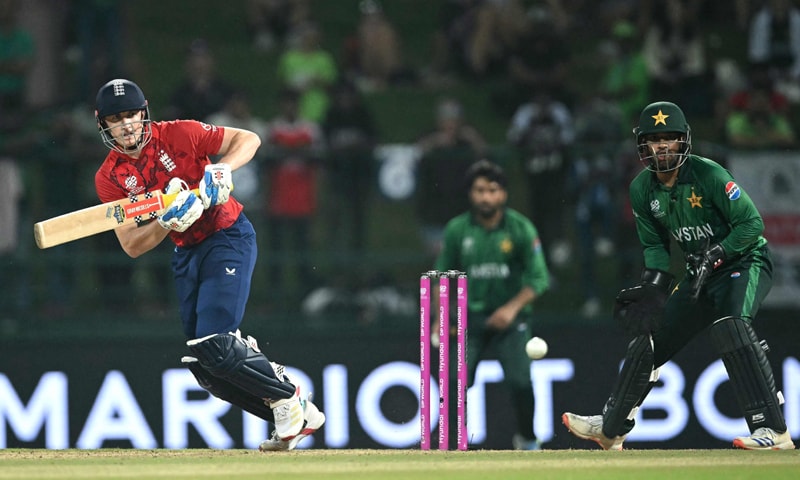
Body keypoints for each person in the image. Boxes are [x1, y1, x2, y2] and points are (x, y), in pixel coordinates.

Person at [92, 78, 325, 452]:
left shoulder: (180, 133)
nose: (127, 125)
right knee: (206, 367)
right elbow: (132, 245)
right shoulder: (110, 177)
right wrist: (165, 222)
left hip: (227, 235)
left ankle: (287, 396)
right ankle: (298, 414)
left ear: (144, 112)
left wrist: (222, 170)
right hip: (186, 252)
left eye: (132, 115)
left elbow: (248, 139)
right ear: (103, 124)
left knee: (215, 342)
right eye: (116, 118)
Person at [562, 101, 795, 451]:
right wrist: (653, 287)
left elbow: (752, 224)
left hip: (744, 261)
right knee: (649, 336)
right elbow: (655, 246)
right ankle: (611, 429)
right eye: (655, 140)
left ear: (684, 141)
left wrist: (717, 253)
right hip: (698, 271)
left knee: (731, 324)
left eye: (670, 138)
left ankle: (774, 431)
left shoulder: (710, 175)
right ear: (643, 144)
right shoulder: (642, 189)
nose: (662, 146)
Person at [434, 159, 550, 450]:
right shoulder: (457, 229)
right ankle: (451, 443)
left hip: (511, 323)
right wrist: (440, 316)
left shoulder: (520, 228)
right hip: (468, 319)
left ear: (504, 194)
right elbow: (440, 278)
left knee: (521, 383)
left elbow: (539, 278)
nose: (485, 197)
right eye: (479, 190)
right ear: (471, 194)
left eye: (492, 190)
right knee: (454, 383)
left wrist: (510, 309)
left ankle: (527, 440)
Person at [415, 97, 486, 258]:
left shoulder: (467, 143)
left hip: (462, 213)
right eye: (446, 120)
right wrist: (435, 142)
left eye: (454, 120)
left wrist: (474, 140)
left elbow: (485, 158)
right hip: (434, 215)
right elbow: (415, 154)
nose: (450, 125)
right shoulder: (430, 139)